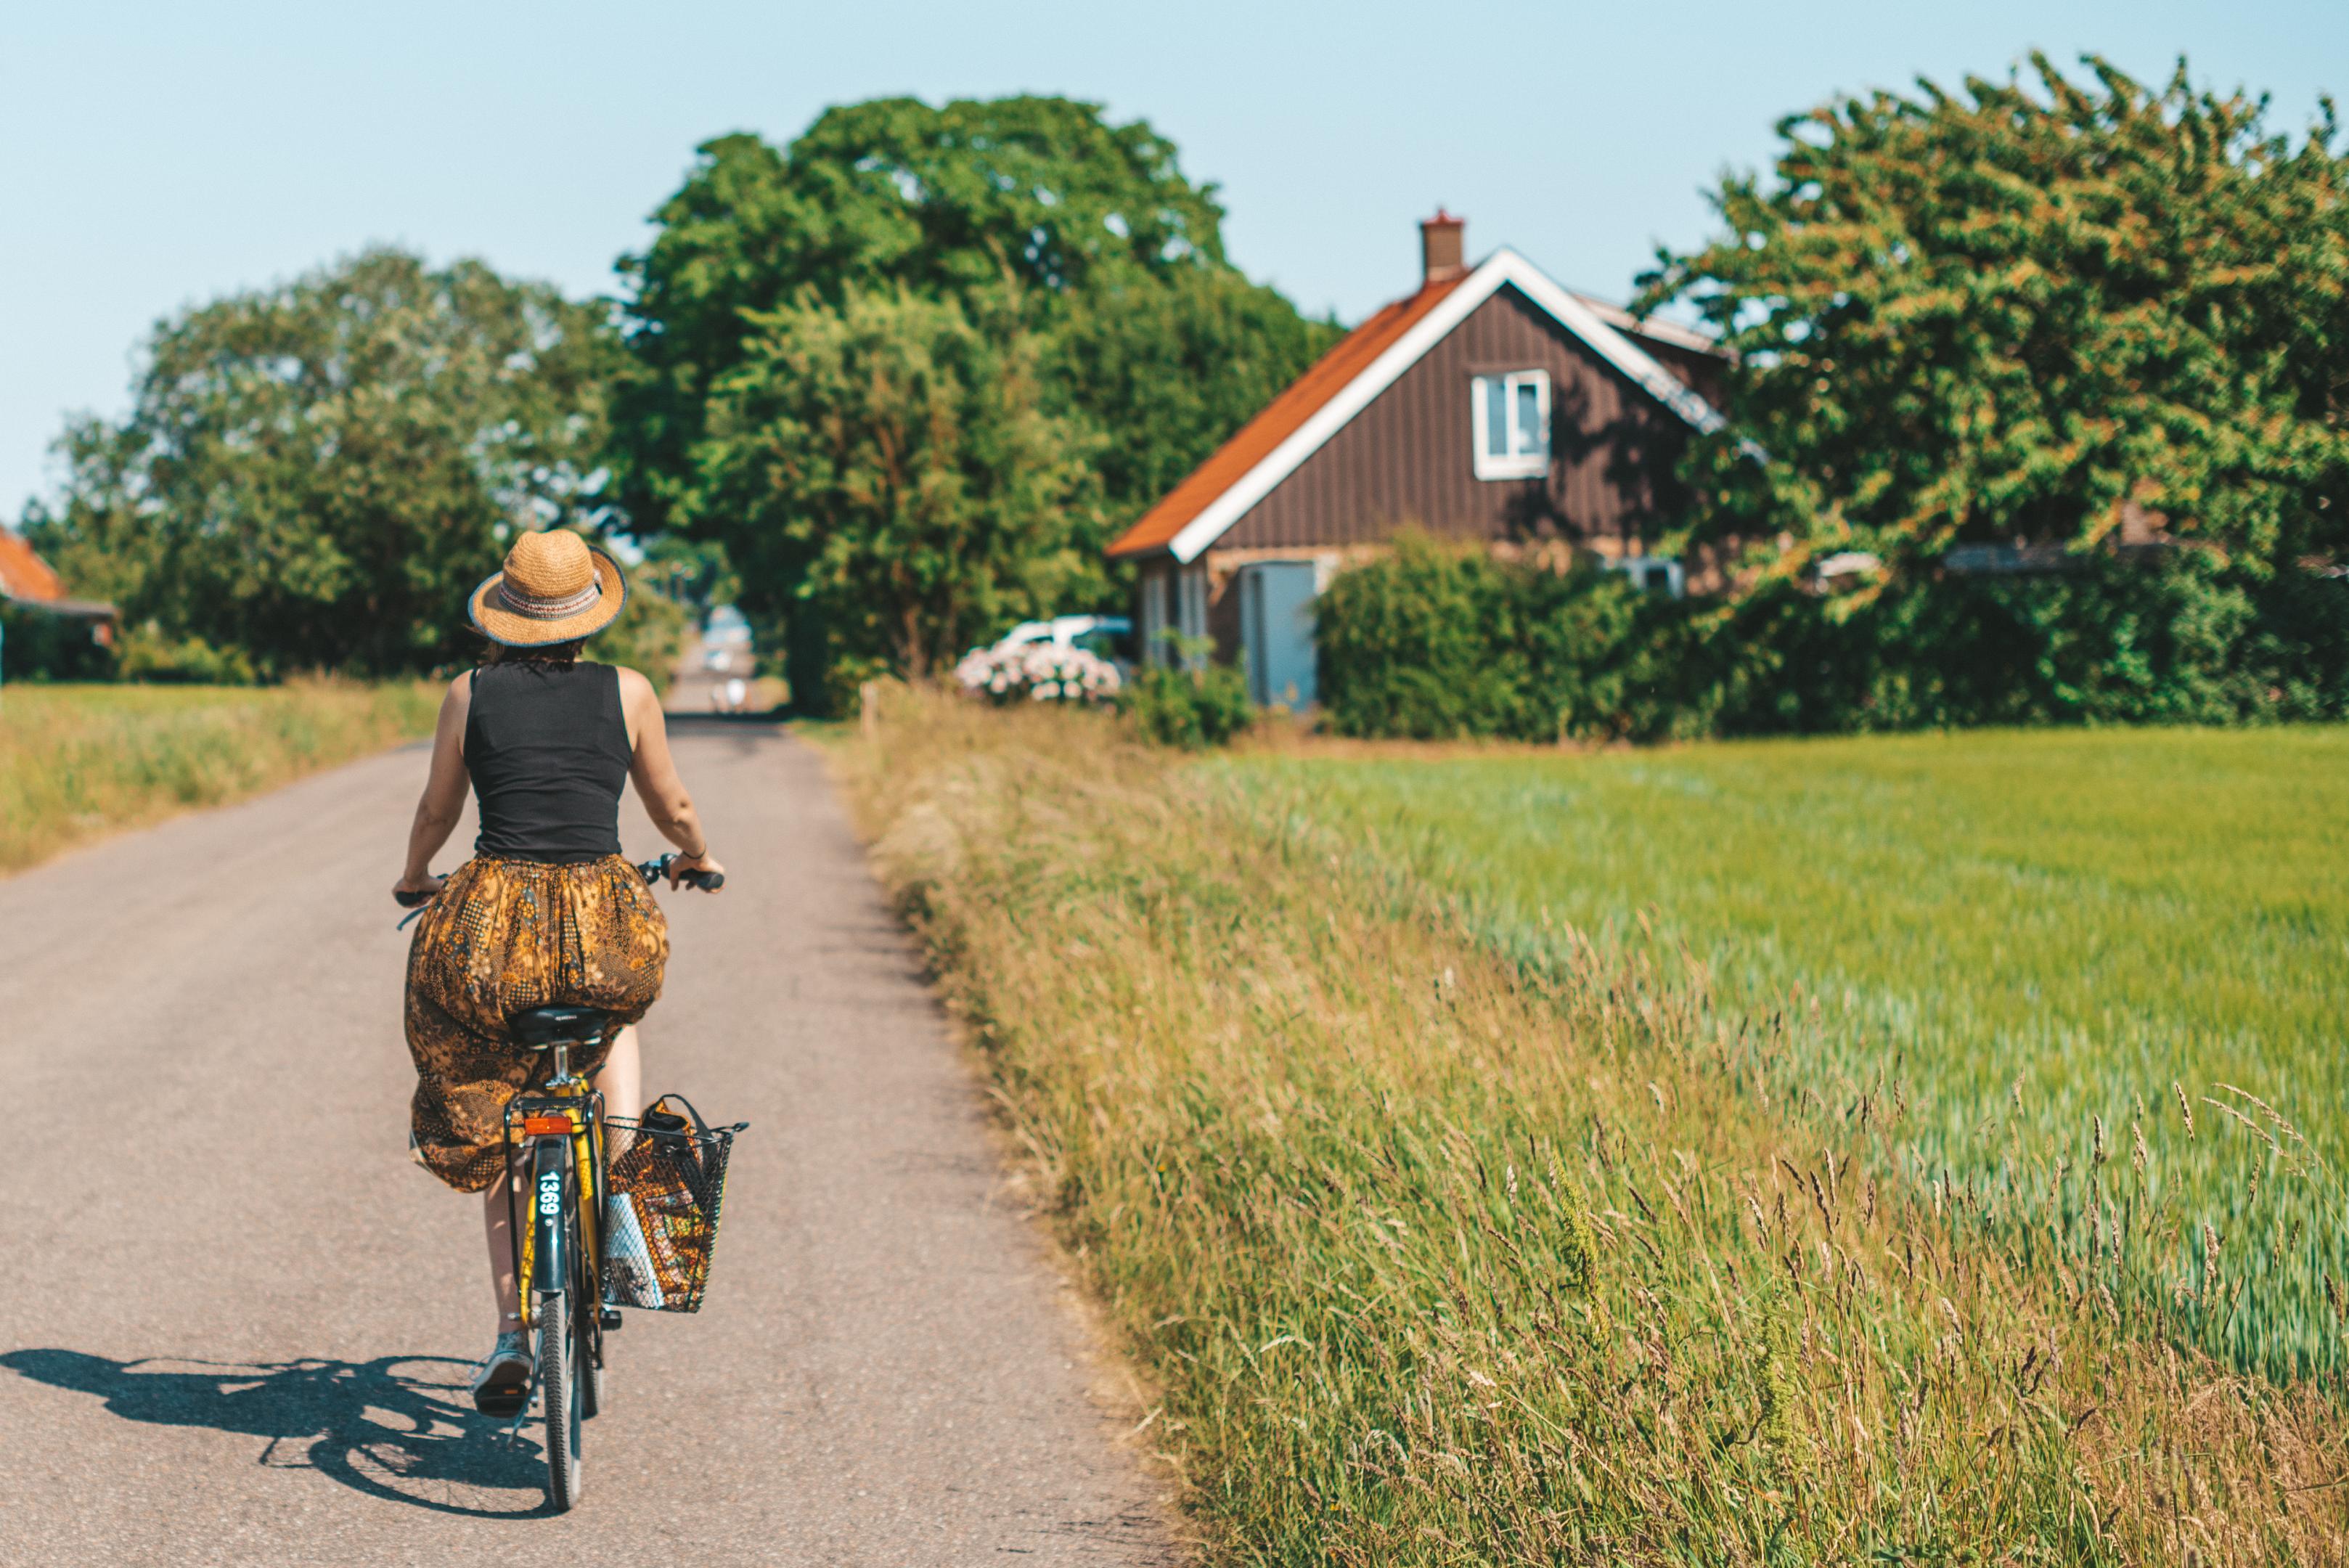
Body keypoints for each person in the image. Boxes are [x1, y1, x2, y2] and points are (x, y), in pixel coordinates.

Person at [392, 527, 724, 1416]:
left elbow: (437, 808)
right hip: (603, 916)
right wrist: (694, 853)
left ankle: (511, 1333)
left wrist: (414, 876)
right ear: (587, 613)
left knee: (492, 1086)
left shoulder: (468, 694)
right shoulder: (632, 691)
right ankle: (617, 1187)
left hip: (490, 925)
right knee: (614, 1011)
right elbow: (673, 804)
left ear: (505, 616)